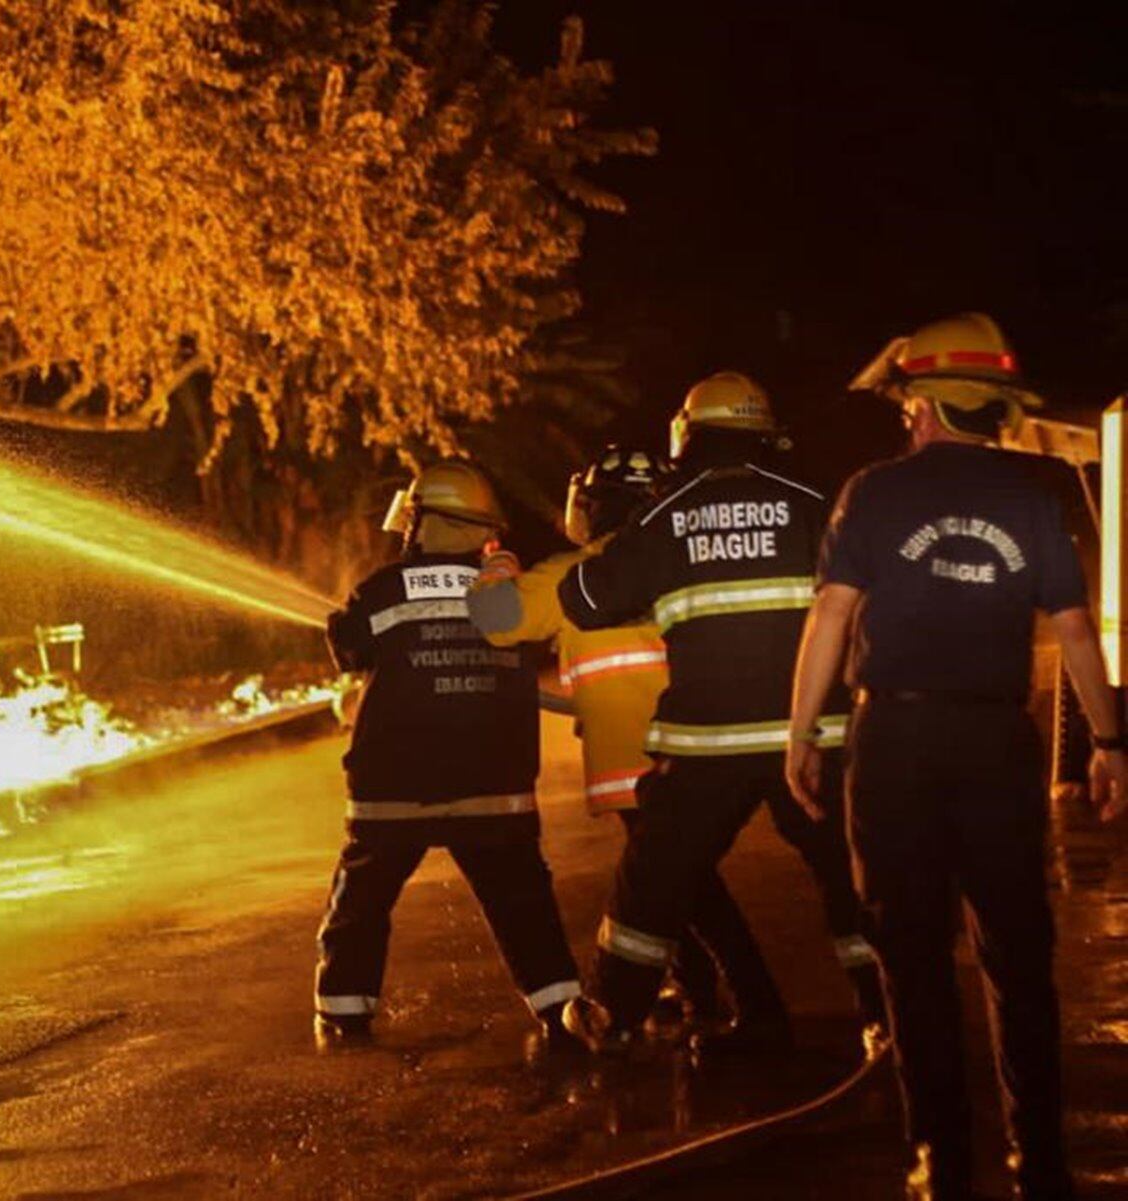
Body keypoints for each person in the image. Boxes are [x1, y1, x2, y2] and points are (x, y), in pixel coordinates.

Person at [787, 312, 1128, 1201]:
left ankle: (940, 1155)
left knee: (911, 953)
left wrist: (800, 731)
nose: (904, 417)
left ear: (926, 405)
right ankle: (1040, 1158)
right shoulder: (1034, 497)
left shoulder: (872, 491)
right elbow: (1072, 628)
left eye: (906, 404)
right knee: (1018, 951)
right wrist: (1109, 738)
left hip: (894, 739)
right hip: (995, 744)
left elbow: (829, 615)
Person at [552, 372, 886, 1057]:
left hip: (706, 743)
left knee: (658, 872)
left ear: (689, 435)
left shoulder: (665, 512)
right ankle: (889, 1011)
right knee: (848, 873)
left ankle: (612, 1010)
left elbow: (588, 598)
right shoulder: (817, 501)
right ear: (767, 434)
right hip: (813, 735)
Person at [467, 444, 787, 1035]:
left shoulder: (572, 574)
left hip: (636, 763)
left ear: (591, 506)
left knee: (682, 893)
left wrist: (496, 566)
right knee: (680, 890)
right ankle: (700, 995)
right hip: (693, 750)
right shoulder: (680, 557)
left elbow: (494, 620)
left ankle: (754, 1008)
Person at [316, 459, 582, 1059]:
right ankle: (561, 1009)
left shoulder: (380, 588)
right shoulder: (508, 595)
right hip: (494, 789)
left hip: (393, 791)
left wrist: (341, 626)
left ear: (424, 521)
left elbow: (350, 652)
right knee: (524, 905)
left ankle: (343, 1019)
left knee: (361, 905)